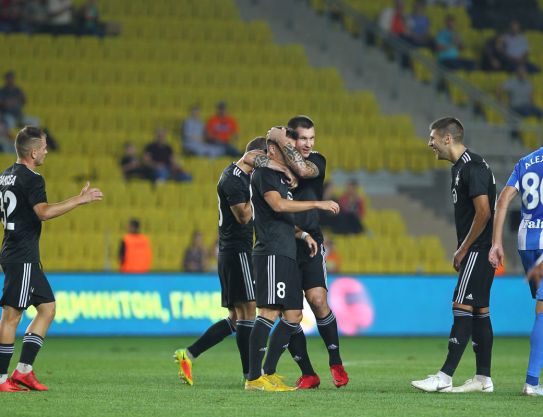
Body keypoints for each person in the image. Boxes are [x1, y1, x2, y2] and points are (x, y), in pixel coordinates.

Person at [174, 136, 288, 386]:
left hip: (235, 252)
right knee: (249, 310)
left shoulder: (242, 176)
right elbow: (243, 216)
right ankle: (252, 377)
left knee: (237, 318)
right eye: (266, 158)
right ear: (255, 155)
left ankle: (188, 354)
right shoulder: (233, 178)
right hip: (237, 251)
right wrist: (262, 196)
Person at [0, 126, 102, 392]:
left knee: (47, 308)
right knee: (12, 315)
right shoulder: (33, 179)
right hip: (21, 255)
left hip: (18, 252)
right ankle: (1, 379)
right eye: (44, 147)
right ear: (33, 152)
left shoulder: (5, 175)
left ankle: (23, 371)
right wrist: (79, 200)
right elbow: (43, 212)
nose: (46, 151)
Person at [245, 126, 339, 392]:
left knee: (294, 315)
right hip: (271, 251)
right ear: (272, 148)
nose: (291, 151)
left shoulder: (281, 177)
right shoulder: (264, 173)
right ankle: (254, 378)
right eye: (285, 145)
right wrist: (318, 204)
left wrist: (303, 234)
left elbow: (282, 217)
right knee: (268, 312)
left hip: (286, 250)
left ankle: (269, 372)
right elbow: (278, 206)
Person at [412, 117, 496, 393]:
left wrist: (463, 248)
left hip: (478, 249)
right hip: (479, 249)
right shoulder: (459, 168)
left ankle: (444, 377)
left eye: (432, 138)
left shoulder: (473, 167)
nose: (430, 143)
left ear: (447, 138)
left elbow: (484, 212)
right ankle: (483, 378)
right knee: (480, 311)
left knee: (461, 306)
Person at [268, 118, 350, 388]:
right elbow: (253, 157)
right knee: (290, 314)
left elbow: (303, 170)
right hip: (283, 244)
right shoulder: (273, 165)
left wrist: (283, 150)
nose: (308, 143)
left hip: (311, 242)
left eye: (311, 138)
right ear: (291, 139)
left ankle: (336, 361)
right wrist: (277, 148)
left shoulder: (317, 160)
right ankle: (308, 373)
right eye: (303, 138)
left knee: (317, 300)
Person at [488, 146, 543, 395]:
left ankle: (533, 381)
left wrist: (497, 243)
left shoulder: (526, 161)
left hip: (526, 242)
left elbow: (503, 200)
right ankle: (531, 382)